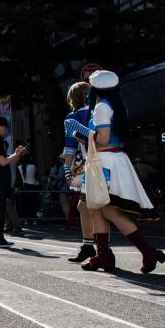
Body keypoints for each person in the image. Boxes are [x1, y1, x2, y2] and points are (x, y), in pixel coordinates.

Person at [65, 70, 165, 273]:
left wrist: (80, 130)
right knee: (102, 209)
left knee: (102, 208)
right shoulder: (117, 105)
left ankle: (134, 252)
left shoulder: (102, 107)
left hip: (103, 162)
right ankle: (110, 254)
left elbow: (102, 138)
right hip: (111, 160)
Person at [62, 81, 95, 262]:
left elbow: (70, 147)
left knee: (93, 207)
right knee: (89, 206)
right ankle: (91, 246)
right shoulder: (99, 111)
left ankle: (95, 247)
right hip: (109, 161)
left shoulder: (73, 117)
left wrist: (67, 170)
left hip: (88, 165)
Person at [0, 117, 26, 247]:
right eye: (4, 127)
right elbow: (3, 162)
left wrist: (16, 154)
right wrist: (16, 154)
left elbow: (5, 161)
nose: (6, 130)